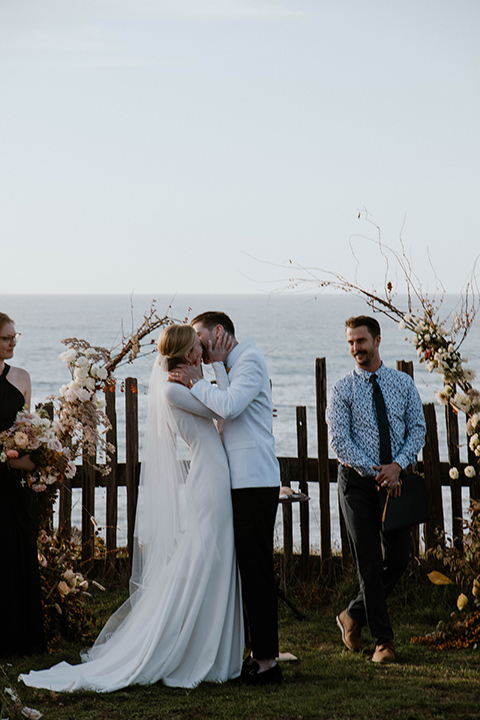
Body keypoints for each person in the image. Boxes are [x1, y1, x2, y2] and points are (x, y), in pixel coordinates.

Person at [20, 324, 243, 691]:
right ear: (186, 354)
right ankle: (187, 644)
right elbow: (221, 408)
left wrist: (204, 374)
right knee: (205, 558)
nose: (203, 351)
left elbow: (217, 411)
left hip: (216, 474)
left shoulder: (184, 384)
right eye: (197, 349)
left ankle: (215, 647)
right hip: (209, 480)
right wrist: (216, 369)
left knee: (214, 558)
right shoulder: (174, 390)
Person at [170, 311, 282, 685]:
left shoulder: (249, 359)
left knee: (257, 571)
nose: (197, 347)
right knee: (244, 569)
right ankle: (251, 653)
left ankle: (268, 661)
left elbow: (229, 406)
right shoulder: (226, 365)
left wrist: (196, 381)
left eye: (201, 339)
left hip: (253, 479)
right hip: (235, 480)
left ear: (219, 333)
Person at [326, 315, 425, 664]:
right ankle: (383, 642)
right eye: (351, 342)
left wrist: (397, 467)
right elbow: (339, 441)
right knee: (369, 561)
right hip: (357, 483)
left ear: (377, 340)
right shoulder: (341, 389)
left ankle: (352, 614)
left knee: (399, 558)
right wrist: (377, 473)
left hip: (395, 483)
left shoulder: (402, 384)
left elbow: (417, 428)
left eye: (361, 341)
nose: (356, 348)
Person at [0, 312, 46, 657]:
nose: (13, 342)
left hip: (16, 484)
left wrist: (35, 457)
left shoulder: (22, 377)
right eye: (6, 338)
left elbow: (28, 431)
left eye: (15, 336)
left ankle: (22, 639)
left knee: (19, 552)